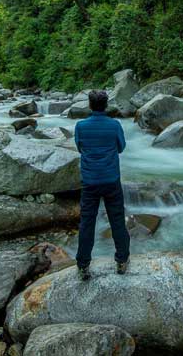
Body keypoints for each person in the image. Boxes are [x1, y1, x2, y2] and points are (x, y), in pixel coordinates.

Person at [73, 90, 130, 281]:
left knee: (87, 223)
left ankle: (83, 265)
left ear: (90, 105)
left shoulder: (81, 126)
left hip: (90, 182)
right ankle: (122, 261)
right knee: (117, 220)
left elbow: (80, 148)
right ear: (106, 105)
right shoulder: (114, 125)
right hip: (111, 180)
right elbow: (121, 147)